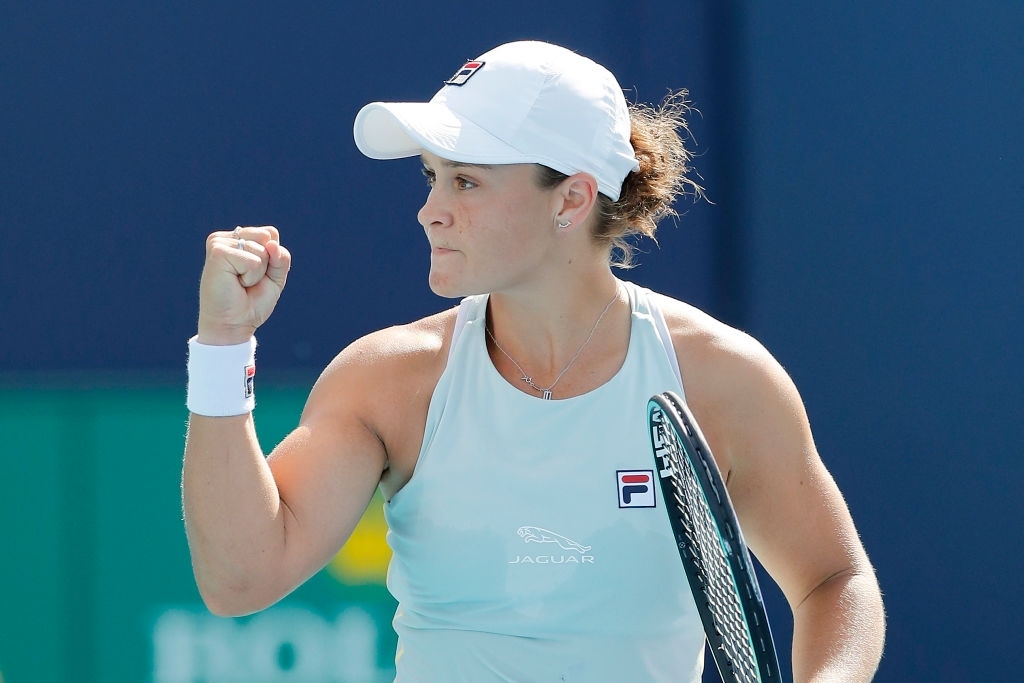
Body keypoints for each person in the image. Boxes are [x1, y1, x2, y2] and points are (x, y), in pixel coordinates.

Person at [182, 40, 885, 681]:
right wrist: (223, 341)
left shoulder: (722, 378)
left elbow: (833, 578)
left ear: (572, 199)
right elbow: (239, 578)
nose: (430, 209)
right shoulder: (389, 380)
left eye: (466, 181)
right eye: (431, 177)